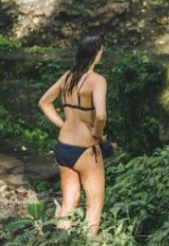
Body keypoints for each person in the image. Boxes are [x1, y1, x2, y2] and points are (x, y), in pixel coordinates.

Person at [38, 34, 111, 236]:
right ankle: (87, 241)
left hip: (63, 146)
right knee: (94, 202)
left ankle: (61, 240)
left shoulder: (68, 77)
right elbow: (101, 114)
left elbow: (44, 102)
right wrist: (97, 134)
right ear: (96, 54)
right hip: (85, 149)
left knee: (69, 201)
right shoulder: (97, 80)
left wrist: (63, 124)